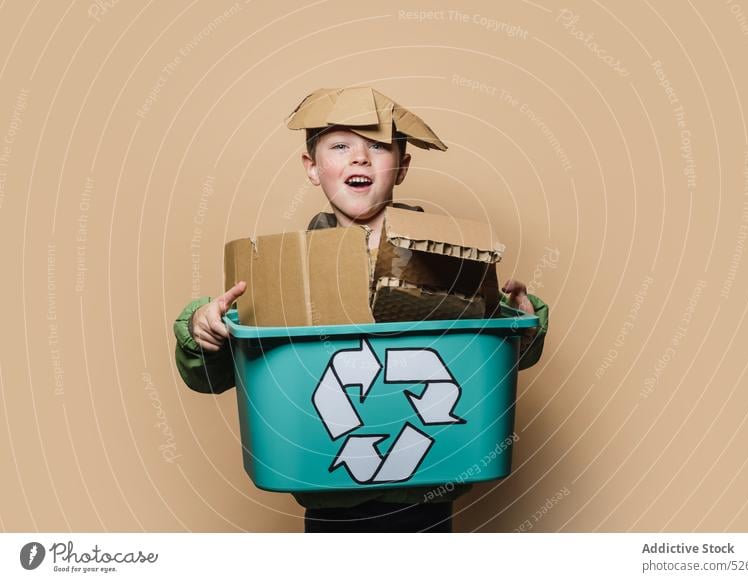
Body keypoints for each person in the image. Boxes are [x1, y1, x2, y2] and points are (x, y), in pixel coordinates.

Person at [173, 87, 549, 532]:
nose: (360, 158)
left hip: (430, 498)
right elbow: (219, 369)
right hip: (327, 501)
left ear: (403, 166)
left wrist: (524, 322)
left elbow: (489, 353)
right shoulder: (283, 271)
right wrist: (201, 328)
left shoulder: (453, 258)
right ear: (312, 169)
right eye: (340, 145)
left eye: (377, 145)